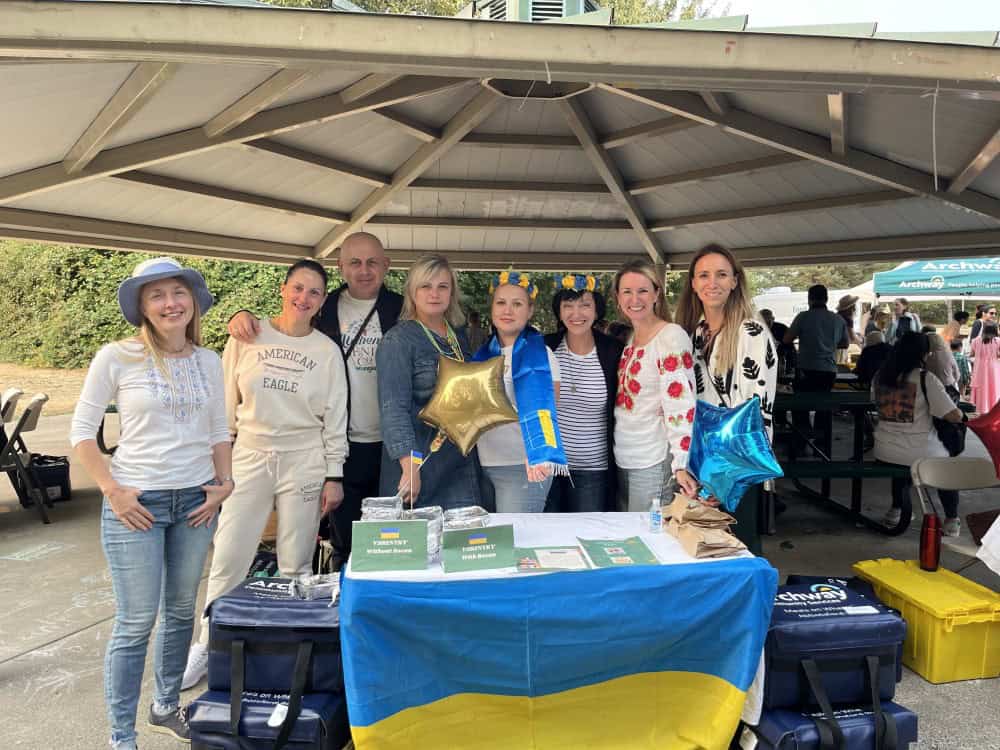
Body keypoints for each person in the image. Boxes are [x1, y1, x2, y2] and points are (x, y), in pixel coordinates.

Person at [70, 257, 232, 750]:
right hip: (135, 504)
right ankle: (122, 736)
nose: (169, 303)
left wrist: (224, 483)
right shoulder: (116, 357)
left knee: (182, 612)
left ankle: (165, 706)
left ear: (192, 301)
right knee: (137, 620)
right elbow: (81, 435)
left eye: (177, 293)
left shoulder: (208, 360)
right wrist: (112, 491)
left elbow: (218, 431)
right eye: (156, 295)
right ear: (142, 306)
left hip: (195, 503)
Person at [183, 259, 348, 689]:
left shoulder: (327, 352)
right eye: (297, 288)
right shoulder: (248, 335)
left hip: (305, 456)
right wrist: (218, 467)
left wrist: (334, 474)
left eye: (314, 292)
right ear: (283, 288)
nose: (304, 298)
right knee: (230, 554)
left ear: (323, 300)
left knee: (295, 563)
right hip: (251, 453)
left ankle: (288, 648)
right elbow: (223, 407)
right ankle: (209, 643)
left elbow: (335, 418)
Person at [228, 232, 401, 558]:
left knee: (391, 537)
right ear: (340, 267)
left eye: (372, 262)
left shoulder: (403, 310)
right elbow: (283, 328)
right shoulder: (323, 307)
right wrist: (240, 315)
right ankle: (340, 602)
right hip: (338, 444)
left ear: (386, 266)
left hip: (392, 446)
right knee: (345, 542)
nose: (364, 270)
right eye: (354, 262)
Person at [677, 244, 777, 556]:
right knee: (709, 553)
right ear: (693, 283)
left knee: (739, 551)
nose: (713, 282)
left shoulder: (751, 331)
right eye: (704, 275)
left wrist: (724, 480)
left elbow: (756, 413)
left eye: (721, 274)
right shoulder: (698, 332)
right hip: (702, 462)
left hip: (735, 469)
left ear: (735, 281)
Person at [377, 253, 481, 508]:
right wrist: (410, 467)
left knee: (462, 544)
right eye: (426, 286)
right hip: (419, 463)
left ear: (451, 293)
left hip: (460, 464)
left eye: (442, 286)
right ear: (412, 292)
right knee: (421, 544)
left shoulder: (458, 336)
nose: (434, 293)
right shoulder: (398, 340)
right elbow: (394, 410)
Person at [473, 272, 565, 512]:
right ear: (492, 308)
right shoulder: (481, 355)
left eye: (517, 304)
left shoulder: (543, 357)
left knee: (516, 543)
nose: (508, 311)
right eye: (501, 303)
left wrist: (538, 455)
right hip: (483, 463)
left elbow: (547, 415)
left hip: (522, 465)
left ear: (530, 311)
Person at [613, 259, 698, 511]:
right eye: (627, 291)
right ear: (617, 297)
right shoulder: (630, 339)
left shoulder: (670, 336)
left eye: (642, 291)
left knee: (646, 540)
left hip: (653, 457)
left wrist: (681, 463)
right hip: (625, 454)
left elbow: (681, 403)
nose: (634, 299)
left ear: (656, 294)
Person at [544, 275, 624, 513]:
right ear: (558, 311)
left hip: (594, 468)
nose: (575, 313)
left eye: (584, 305)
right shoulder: (544, 347)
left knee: (586, 535)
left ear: (597, 310)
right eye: (568, 306)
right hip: (550, 466)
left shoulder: (613, 351)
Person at [873, 332, 966, 536]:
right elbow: (953, 415)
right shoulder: (925, 378)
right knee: (947, 465)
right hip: (918, 450)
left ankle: (896, 509)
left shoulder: (880, 376)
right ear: (923, 354)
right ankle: (951, 519)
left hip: (884, 449)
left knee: (902, 458)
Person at [783, 285, 848, 443]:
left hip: (806, 368)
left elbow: (787, 339)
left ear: (809, 299)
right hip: (828, 370)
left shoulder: (803, 317)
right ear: (826, 298)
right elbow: (845, 343)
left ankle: (801, 442)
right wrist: (828, 343)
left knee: (800, 407)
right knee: (823, 408)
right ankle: (823, 445)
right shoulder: (837, 319)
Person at [971, 321, 1000, 415]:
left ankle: (982, 409)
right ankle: (993, 409)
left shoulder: (976, 340)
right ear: (995, 329)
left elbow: (972, 353)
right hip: (993, 367)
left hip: (980, 368)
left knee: (982, 387)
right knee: (994, 386)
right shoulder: (998, 340)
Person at [925, 332, 961, 403]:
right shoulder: (948, 354)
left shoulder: (926, 356)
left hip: (930, 390)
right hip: (948, 390)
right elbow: (957, 375)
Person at [761, 308, 796, 374]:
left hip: (781, 360)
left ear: (773, 319)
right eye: (763, 322)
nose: (766, 325)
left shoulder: (781, 328)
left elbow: (790, 348)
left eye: (768, 323)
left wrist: (791, 366)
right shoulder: (756, 331)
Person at [835, 294, 863, 365]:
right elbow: (852, 338)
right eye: (854, 306)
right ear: (850, 308)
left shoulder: (837, 316)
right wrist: (861, 342)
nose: (855, 309)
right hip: (841, 350)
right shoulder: (847, 319)